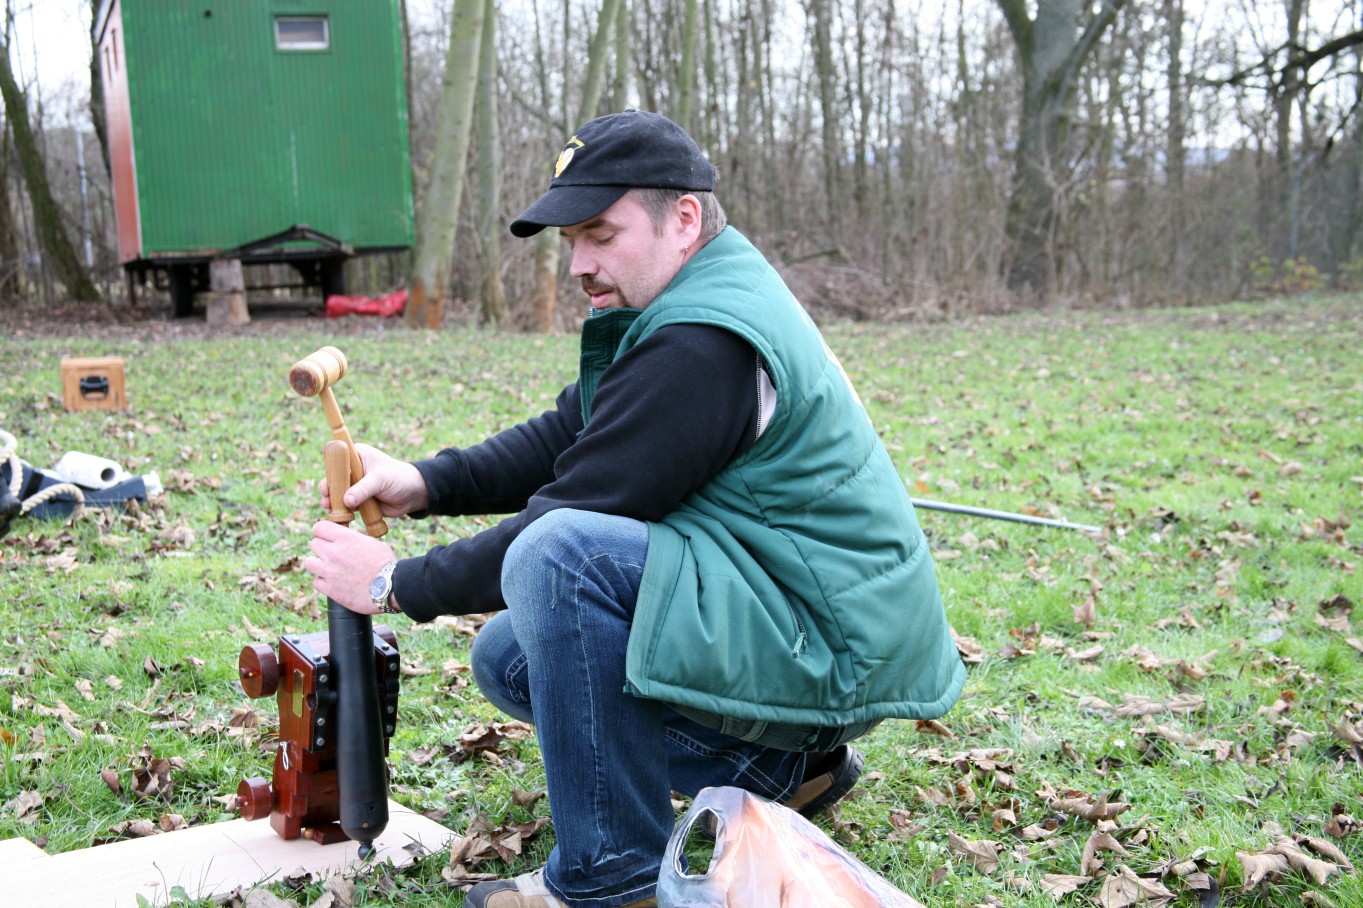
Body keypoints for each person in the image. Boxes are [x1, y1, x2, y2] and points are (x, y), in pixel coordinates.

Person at [304, 110, 966, 908]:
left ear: (682, 218)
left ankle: (613, 875)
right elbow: (575, 429)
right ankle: (778, 770)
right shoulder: (696, 292)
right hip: (795, 609)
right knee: (510, 655)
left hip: (823, 639)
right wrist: (426, 481)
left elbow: (573, 511)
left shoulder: (704, 341)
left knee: (561, 558)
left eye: (600, 234)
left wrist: (394, 584)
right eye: (571, 240)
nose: (579, 263)